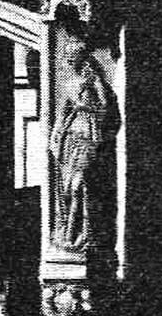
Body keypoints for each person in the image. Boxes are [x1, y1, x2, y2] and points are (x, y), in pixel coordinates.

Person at [49, 44, 119, 253]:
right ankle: (70, 233)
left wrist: (96, 82)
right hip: (71, 139)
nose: (70, 60)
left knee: (80, 185)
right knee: (69, 188)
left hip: (89, 139)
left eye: (73, 56)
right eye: (68, 57)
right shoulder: (71, 84)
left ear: (82, 58)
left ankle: (84, 234)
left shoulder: (96, 83)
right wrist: (54, 137)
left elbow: (106, 108)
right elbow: (62, 114)